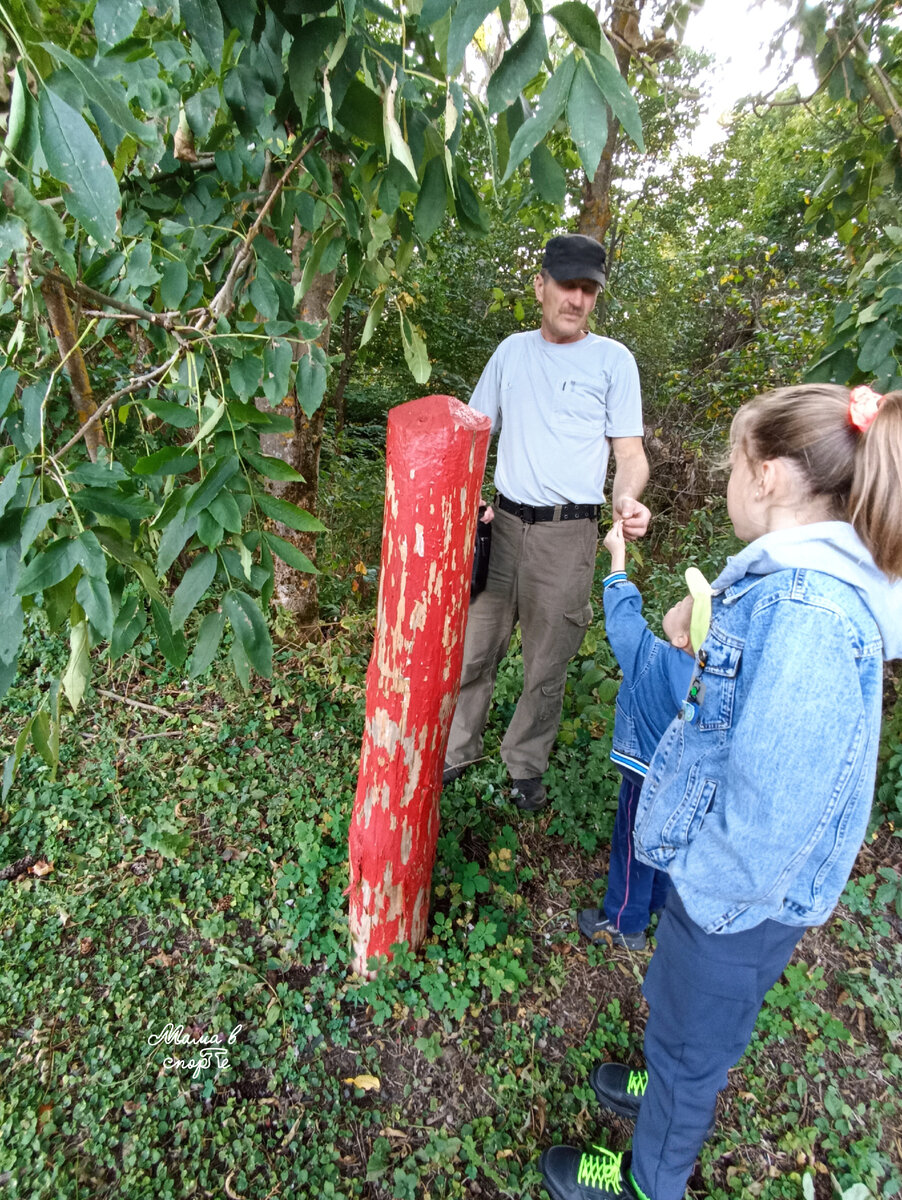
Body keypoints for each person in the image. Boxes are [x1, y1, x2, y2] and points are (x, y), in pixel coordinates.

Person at [540, 383, 902, 1200]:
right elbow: (754, 704)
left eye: (733, 463)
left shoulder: (810, 611)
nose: (727, 479)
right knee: (681, 1017)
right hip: (730, 893)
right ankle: (662, 1080)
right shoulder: (793, 582)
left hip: (734, 896)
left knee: (693, 1046)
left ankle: (650, 1178)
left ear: (769, 476)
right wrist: (701, 626)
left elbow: (773, 812)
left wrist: (698, 885)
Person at [443, 233, 651, 812]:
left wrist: (626, 499)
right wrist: (466, 503)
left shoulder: (614, 361)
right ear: (540, 285)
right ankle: (458, 749)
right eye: (567, 285)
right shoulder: (511, 353)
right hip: (502, 525)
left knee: (547, 660)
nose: (577, 299)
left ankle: (525, 766)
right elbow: (471, 433)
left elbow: (630, 455)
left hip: (569, 534)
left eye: (589, 290)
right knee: (474, 648)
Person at [577, 520, 698, 952]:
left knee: (632, 846)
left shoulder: (652, 658)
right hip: (683, 782)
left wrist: (617, 556)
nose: (680, 600)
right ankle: (662, 908)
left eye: (684, 603)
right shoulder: (709, 680)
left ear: (682, 635)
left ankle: (625, 921)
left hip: (644, 774)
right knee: (667, 840)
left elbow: (622, 618)